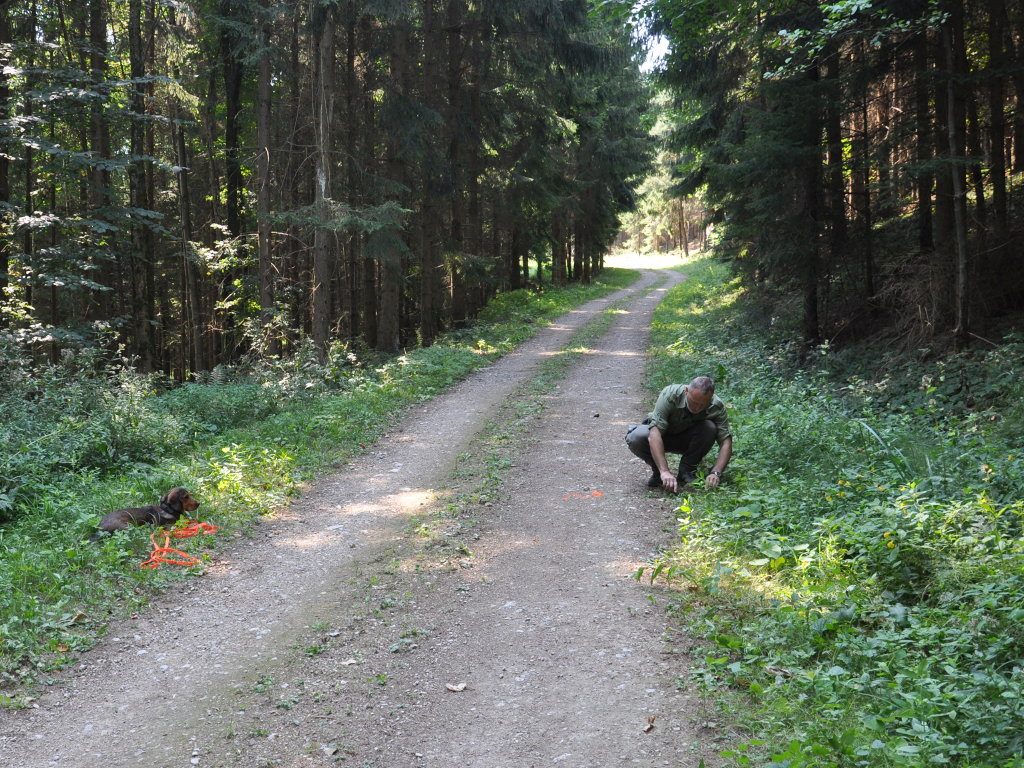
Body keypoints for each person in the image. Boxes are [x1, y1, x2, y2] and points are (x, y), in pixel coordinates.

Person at [625, 375, 732, 492]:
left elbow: (726, 441)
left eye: (702, 405)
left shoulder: (716, 406)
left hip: (687, 440)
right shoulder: (670, 394)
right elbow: (655, 434)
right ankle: (658, 472)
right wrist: (664, 471)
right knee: (636, 436)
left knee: (710, 428)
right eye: (694, 402)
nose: (697, 408)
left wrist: (716, 472)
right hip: (662, 436)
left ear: (710, 399)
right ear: (686, 391)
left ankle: (686, 472)